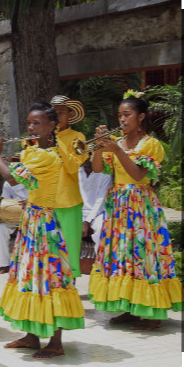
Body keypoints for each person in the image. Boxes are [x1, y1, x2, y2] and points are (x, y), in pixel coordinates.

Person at [0, 102, 84, 359]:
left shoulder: (48, 155)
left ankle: (56, 341)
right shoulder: (33, 151)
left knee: (50, 278)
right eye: (29, 123)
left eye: (37, 123)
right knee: (30, 277)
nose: (30, 127)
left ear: (52, 126)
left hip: (45, 223)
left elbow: (12, 178)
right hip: (32, 219)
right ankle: (31, 335)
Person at [88, 91, 182, 330]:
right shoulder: (117, 142)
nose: (121, 120)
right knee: (123, 256)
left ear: (141, 117)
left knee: (144, 256)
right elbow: (99, 169)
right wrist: (99, 146)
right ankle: (130, 307)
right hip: (118, 205)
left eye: (126, 115)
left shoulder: (151, 145)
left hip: (140, 206)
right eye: (119, 115)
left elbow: (139, 175)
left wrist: (118, 151)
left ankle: (153, 313)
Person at [50, 95, 88, 278]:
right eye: (54, 113)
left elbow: (73, 167)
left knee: (70, 246)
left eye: (61, 112)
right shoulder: (41, 137)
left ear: (70, 114)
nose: (58, 116)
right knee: (49, 246)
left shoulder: (78, 137)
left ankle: (70, 284)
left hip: (69, 200)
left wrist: (56, 142)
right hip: (46, 200)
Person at [0, 181, 28, 274]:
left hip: (33, 215)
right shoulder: (8, 183)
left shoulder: (34, 178)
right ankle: (4, 264)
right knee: (0, 228)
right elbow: (6, 203)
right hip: (13, 217)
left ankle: (28, 263)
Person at [78, 158, 112, 246]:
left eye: (89, 155)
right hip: (78, 213)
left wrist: (87, 221)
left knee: (101, 227)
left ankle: (99, 258)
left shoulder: (105, 174)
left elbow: (101, 201)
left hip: (98, 214)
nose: (86, 159)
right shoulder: (76, 172)